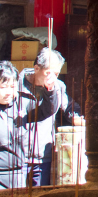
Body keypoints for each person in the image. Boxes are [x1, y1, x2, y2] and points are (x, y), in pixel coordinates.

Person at [20, 48, 79, 186]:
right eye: (47, 73)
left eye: (56, 74)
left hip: (42, 154)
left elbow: (69, 106)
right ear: (36, 68)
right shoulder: (17, 85)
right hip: (19, 153)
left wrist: (75, 116)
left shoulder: (58, 87)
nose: (51, 78)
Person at [0, 61, 29, 189]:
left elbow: (46, 111)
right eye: (3, 87)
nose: (8, 92)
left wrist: (50, 90)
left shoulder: (21, 104)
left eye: (12, 87)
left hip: (18, 174)